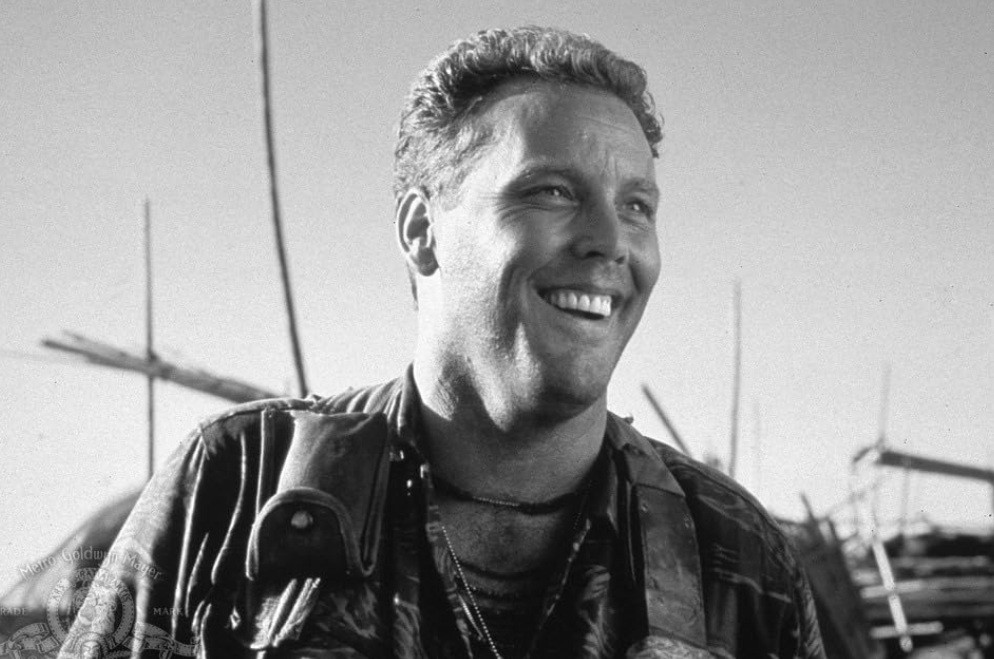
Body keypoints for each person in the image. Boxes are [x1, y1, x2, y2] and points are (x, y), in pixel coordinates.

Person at [61, 26, 825, 659]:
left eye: (637, 207)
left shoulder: (734, 557)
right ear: (422, 230)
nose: (610, 241)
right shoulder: (236, 486)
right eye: (552, 191)